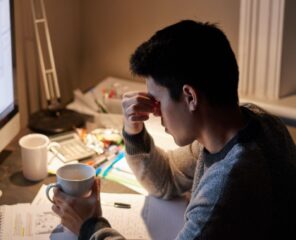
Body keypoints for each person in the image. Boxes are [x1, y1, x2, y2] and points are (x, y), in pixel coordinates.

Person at [52, 20, 296, 240]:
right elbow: (166, 180)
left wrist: (90, 227)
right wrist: (133, 130)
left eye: (157, 100)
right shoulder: (254, 123)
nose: (155, 113)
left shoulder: (227, 187)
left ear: (190, 96)